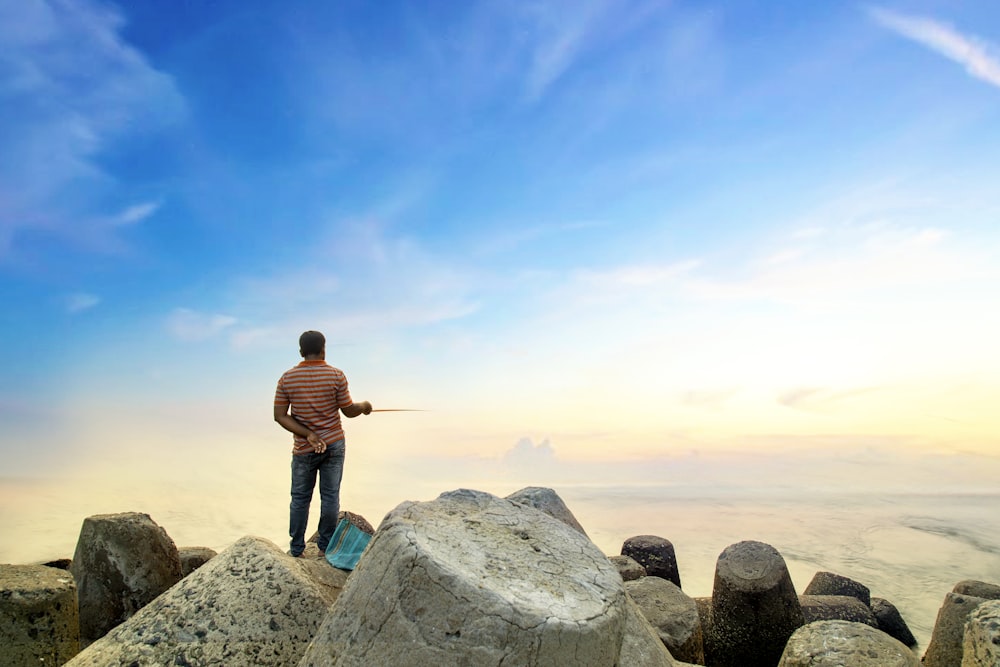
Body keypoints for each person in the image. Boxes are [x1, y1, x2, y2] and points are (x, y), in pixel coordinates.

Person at [273, 330, 372, 557]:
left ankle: (296, 549)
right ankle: (324, 548)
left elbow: (280, 415)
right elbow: (348, 410)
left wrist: (307, 434)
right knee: (330, 497)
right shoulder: (336, 375)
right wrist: (365, 406)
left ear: (301, 351)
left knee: (299, 498)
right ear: (324, 348)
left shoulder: (287, 378)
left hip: (303, 449)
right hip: (334, 444)